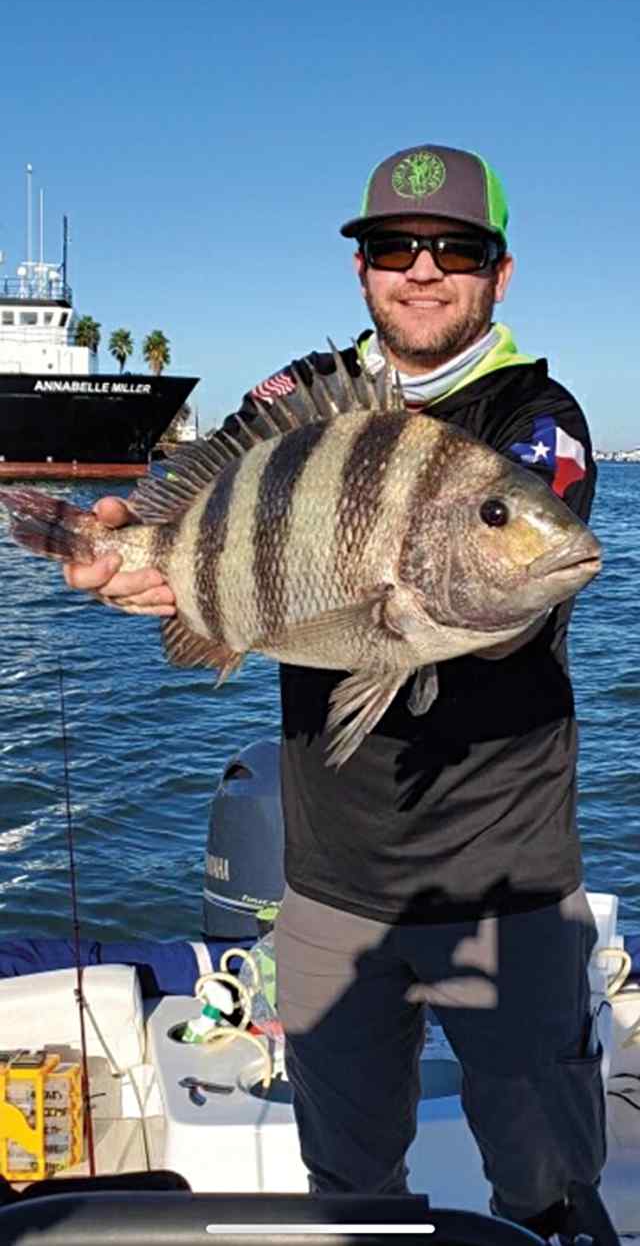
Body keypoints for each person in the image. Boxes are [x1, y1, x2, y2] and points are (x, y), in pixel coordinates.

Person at [63, 144, 604, 1241]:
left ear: (498, 273)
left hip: (504, 891)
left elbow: (522, 585)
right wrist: (125, 549)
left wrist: (424, 573)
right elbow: (186, 500)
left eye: (455, 248)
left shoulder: (535, 415)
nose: (421, 269)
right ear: (362, 269)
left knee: (548, 1192)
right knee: (348, 1189)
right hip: (326, 890)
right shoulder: (300, 392)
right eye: (393, 247)